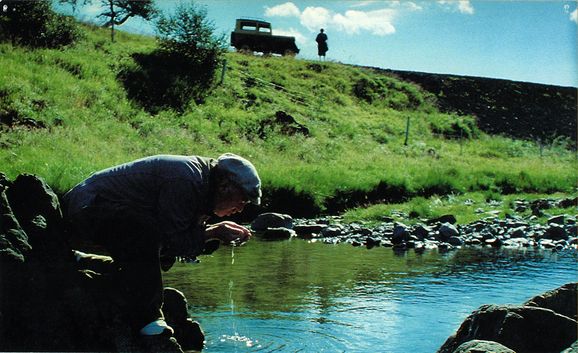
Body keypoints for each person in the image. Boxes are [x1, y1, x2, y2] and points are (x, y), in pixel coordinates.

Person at [62, 153, 261, 336]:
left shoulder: (204, 185)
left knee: (158, 253)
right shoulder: (186, 180)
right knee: (146, 233)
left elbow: (178, 241)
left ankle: (89, 262)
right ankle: (147, 318)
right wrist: (215, 232)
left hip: (106, 210)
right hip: (87, 206)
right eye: (243, 199)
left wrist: (211, 233)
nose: (241, 208)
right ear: (225, 185)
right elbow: (174, 240)